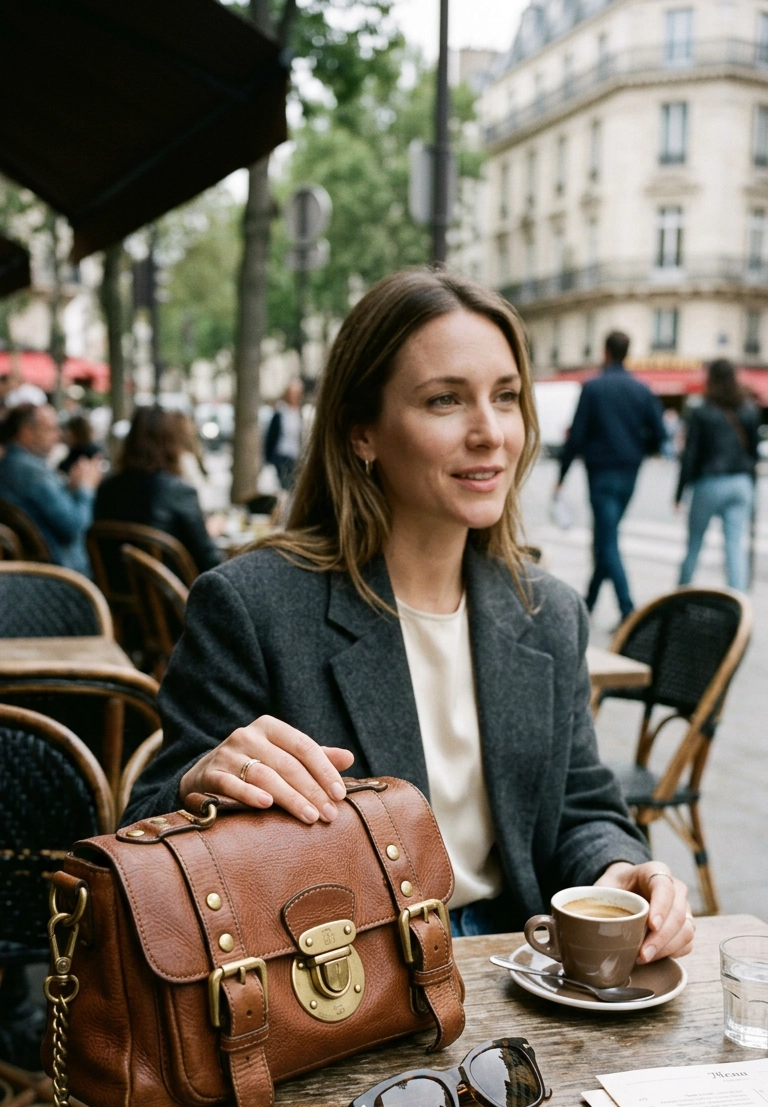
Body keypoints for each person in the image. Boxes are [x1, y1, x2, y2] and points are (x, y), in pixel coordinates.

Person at [124, 269, 693, 961]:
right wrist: (203, 779)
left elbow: (580, 804)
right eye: (445, 399)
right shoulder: (254, 605)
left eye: (507, 397)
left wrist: (620, 872)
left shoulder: (548, 611)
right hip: (340, 985)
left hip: (524, 957)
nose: (491, 433)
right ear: (362, 433)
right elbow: (147, 827)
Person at [554, 331, 666, 623]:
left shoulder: (593, 388)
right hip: (629, 473)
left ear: (605, 352)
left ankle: (628, 610)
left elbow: (575, 436)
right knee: (607, 537)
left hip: (601, 472)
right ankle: (588, 601)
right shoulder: (642, 389)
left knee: (606, 539)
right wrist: (641, 451)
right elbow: (660, 434)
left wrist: (562, 474)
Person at [94, 406, 223, 573]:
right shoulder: (178, 491)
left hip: (115, 592)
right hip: (169, 593)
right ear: (171, 442)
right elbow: (208, 559)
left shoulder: (107, 487)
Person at [677, 360, 759, 591]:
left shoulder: (702, 411)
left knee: (694, 544)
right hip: (741, 482)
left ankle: (679, 597)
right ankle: (740, 605)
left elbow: (691, 454)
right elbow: (752, 453)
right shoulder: (749, 408)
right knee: (734, 547)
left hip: (710, 482)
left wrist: (679, 491)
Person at [0, 402, 101, 573]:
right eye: (50, 429)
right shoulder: (31, 471)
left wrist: (72, 489)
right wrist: (86, 488)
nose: (58, 435)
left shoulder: (9, 464)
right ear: (26, 432)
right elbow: (72, 527)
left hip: (27, 574)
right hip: (60, 578)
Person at [264, 378, 304, 489]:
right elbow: (270, 437)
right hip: (281, 456)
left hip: (296, 457)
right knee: (286, 486)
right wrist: (269, 460)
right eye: (292, 393)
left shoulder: (300, 413)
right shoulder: (280, 414)